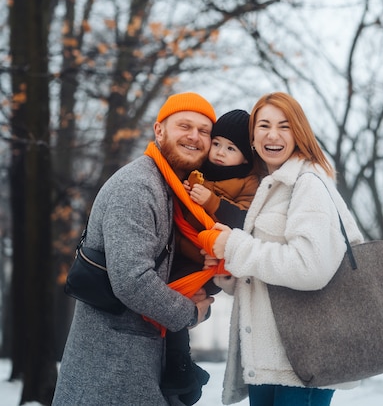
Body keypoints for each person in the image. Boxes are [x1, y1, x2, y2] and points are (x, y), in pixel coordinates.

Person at [52, 92, 217, 406]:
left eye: (204, 131)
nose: (194, 136)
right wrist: (189, 314)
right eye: (184, 125)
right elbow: (132, 281)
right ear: (159, 131)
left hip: (140, 368)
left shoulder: (176, 192)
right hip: (111, 372)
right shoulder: (138, 186)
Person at [209, 92, 364, 406]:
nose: (273, 135)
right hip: (271, 360)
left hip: (304, 359)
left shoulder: (308, 182)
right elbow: (270, 270)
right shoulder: (271, 186)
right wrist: (229, 268)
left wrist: (237, 247)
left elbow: (311, 267)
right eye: (263, 125)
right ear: (252, 137)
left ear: (299, 134)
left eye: (284, 126)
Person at [163, 110, 259, 403]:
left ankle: (180, 365)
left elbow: (245, 220)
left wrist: (213, 201)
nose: (219, 152)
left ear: (244, 157)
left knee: (176, 305)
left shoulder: (247, 182)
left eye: (231, 149)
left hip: (211, 263)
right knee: (167, 303)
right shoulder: (200, 169)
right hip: (183, 251)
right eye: (216, 143)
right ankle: (177, 364)